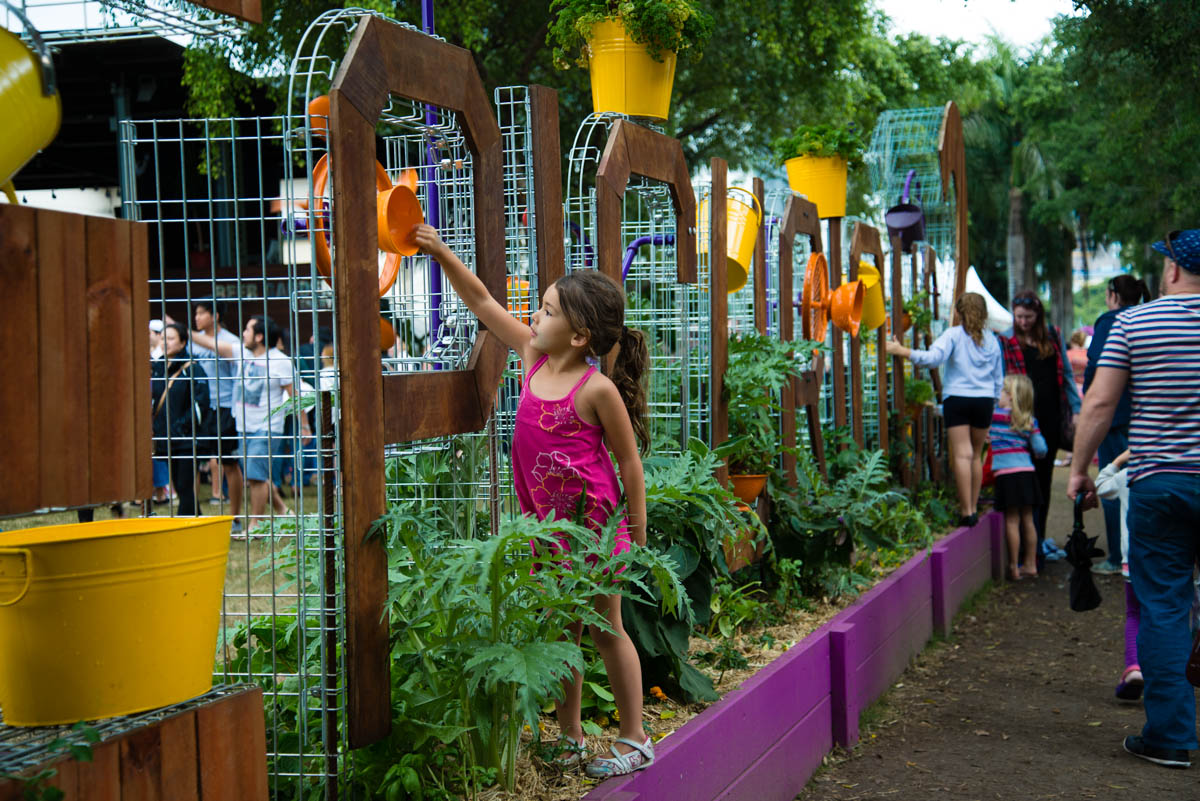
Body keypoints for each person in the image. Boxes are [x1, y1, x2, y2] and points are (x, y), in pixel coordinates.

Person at [413, 223, 653, 779]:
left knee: (606, 627)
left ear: (578, 336)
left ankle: (635, 736)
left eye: (546, 312)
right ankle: (569, 736)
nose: (535, 318)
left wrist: (636, 529)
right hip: (545, 532)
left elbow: (629, 462)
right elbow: (480, 299)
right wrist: (442, 250)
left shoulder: (597, 390)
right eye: (540, 310)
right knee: (557, 632)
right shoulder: (531, 357)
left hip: (594, 532)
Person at [1068, 228, 1200, 770]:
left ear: (1171, 270)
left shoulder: (1133, 322)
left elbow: (1098, 405)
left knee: (1164, 606)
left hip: (1160, 484)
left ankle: (1170, 738)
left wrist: (1078, 472)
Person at [886, 292, 1003, 527]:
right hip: (984, 400)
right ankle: (975, 505)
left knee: (962, 454)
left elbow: (932, 358)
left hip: (957, 399)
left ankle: (966, 511)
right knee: (976, 455)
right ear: (984, 314)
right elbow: (998, 378)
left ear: (958, 312)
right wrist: (995, 402)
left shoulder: (953, 335)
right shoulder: (992, 340)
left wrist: (902, 351)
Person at [1000, 291, 1082, 567]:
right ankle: (1023, 549)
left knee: (1044, 484)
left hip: (1050, 417)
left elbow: (1067, 376)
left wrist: (1077, 410)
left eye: (1028, 317)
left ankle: (1037, 545)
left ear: (1038, 316)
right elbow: (1002, 378)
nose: (1022, 322)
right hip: (1020, 420)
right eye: (1019, 316)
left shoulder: (1053, 335)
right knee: (1023, 481)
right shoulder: (1006, 339)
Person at [1084, 274, 1152, 574]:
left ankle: (1116, 557)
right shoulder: (1148, 318)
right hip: (1145, 417)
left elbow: (1098, 366)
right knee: (1144, 482)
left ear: (1112, 294)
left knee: (1112, 484)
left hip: (1113, 419)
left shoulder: (1110, 321)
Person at [1094, 448, 1144, 701]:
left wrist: (1118, 460)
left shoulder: (1127, 475)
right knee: (1169, 615)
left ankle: (1134, 667)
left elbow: (1101, 486)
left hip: (1133, 561)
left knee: (1135, 613)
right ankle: (1168, 672)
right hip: (1172, 563)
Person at [989, 374, 1046, 580]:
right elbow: (1041, 449)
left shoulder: (993, 416)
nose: (998, 395)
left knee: (1012, 521)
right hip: (1027, 474)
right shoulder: (1029, 421)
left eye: (1002, 392)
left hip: (1006, 477)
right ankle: (1031, 564)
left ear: (1011, 396)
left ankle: (1013, 566)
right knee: (1028, 520)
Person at [191, 299, 244, 514]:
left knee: (229, 462)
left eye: (201, 313)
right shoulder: (192, 343)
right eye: (196, 314)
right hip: (200, 407)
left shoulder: (231, 341)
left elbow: (236, 375)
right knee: (191, 460)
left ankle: (235, 516)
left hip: (225, 407)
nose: (196, 318)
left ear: (216, 316)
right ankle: (192, 511)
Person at [150, 323, 209, 516]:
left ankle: (186, 525)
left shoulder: (192, 368)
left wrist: (181, 427)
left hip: (186, 439)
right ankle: (196, 521)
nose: (165, 342)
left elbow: (201, 402)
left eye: (171, 338)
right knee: (179, 484)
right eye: (163, 338)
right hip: (164, 438)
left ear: (183, 342)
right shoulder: (157, 367)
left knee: (184, 485)